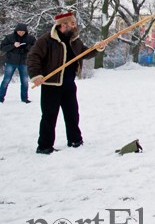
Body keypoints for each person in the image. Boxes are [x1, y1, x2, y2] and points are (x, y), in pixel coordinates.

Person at [27, 12, 108, 154]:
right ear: (63, 25)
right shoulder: (46, 40)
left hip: (69, 83)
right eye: (72, 23)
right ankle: (45, 146)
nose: (75, 26)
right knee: (49, 116)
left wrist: (97, 48)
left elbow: (84, 53)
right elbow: (33, 57)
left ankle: (75, 140)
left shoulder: (74, 40)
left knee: (72, 114)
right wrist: (36, 75)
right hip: (51, 84)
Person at [0, 23, 36, 103]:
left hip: (24, 62)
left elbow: (35, 48)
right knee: (6, 80)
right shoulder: (9, 37)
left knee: (25, 81)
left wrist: (27, 47)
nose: (21, 33)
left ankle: (24, 98)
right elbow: (2, 47)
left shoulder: (30, 38)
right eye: (19, 31)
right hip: (11, 62)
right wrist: (13, 45)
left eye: (23, 31)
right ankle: (0, 98)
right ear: (16, 30)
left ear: (25, 31)